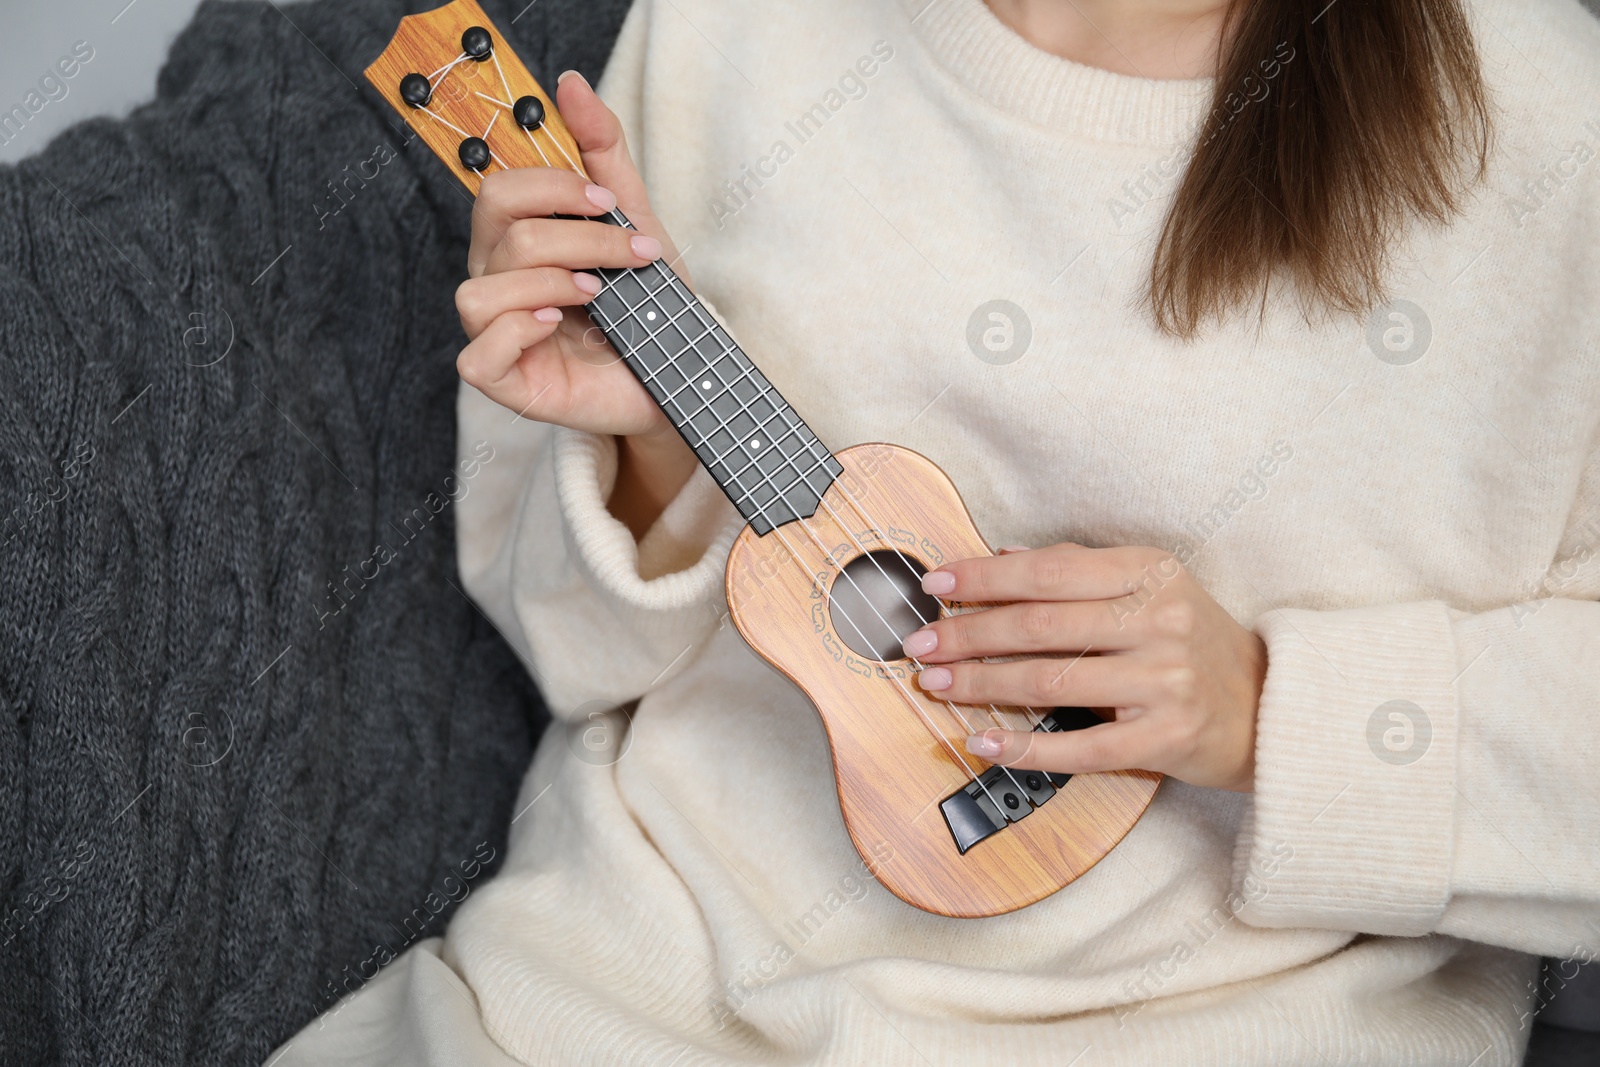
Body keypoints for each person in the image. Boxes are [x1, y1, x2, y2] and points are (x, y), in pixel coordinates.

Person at [268, 0, 1600, 1063]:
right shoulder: (734, 26)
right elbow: (572, 652)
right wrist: (647, 438)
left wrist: (1269, 711)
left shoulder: (1554, 125)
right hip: (641, 983)